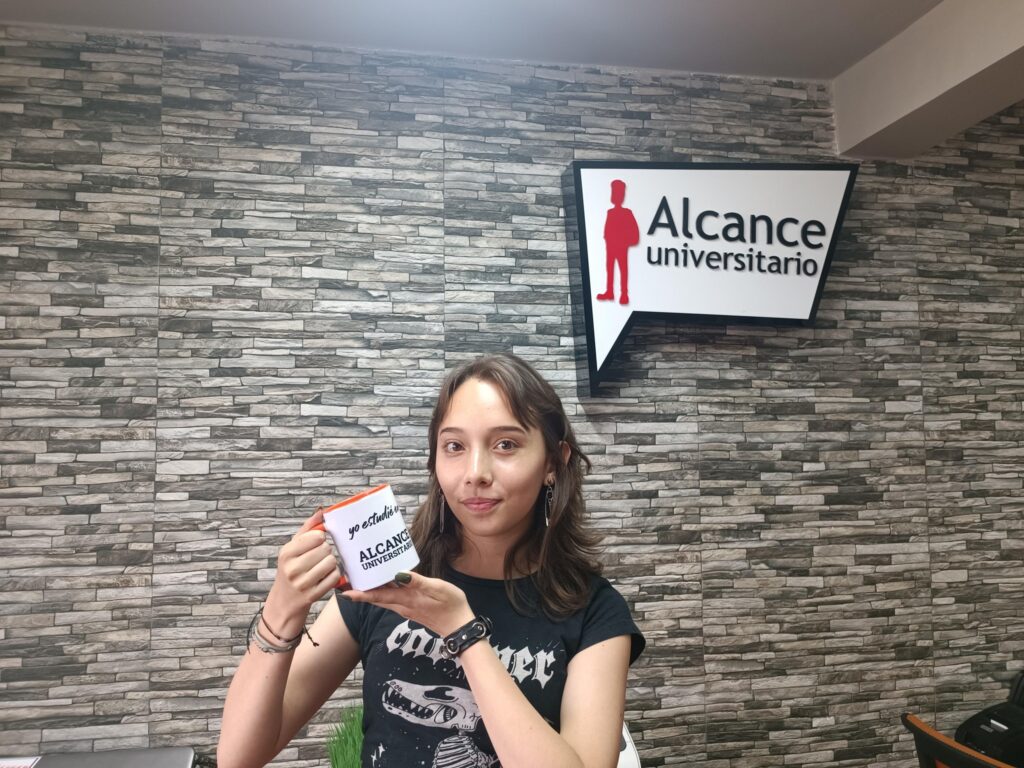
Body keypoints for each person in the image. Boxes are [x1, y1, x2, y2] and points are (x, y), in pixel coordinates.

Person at [217, 353, 645, 768]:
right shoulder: (388, 580)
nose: (475, 472)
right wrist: (283, 607)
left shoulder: (595, 611)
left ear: (554, 461)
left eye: (506, 444)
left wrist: (463, 632)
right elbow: (239, 757)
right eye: (454, 446)